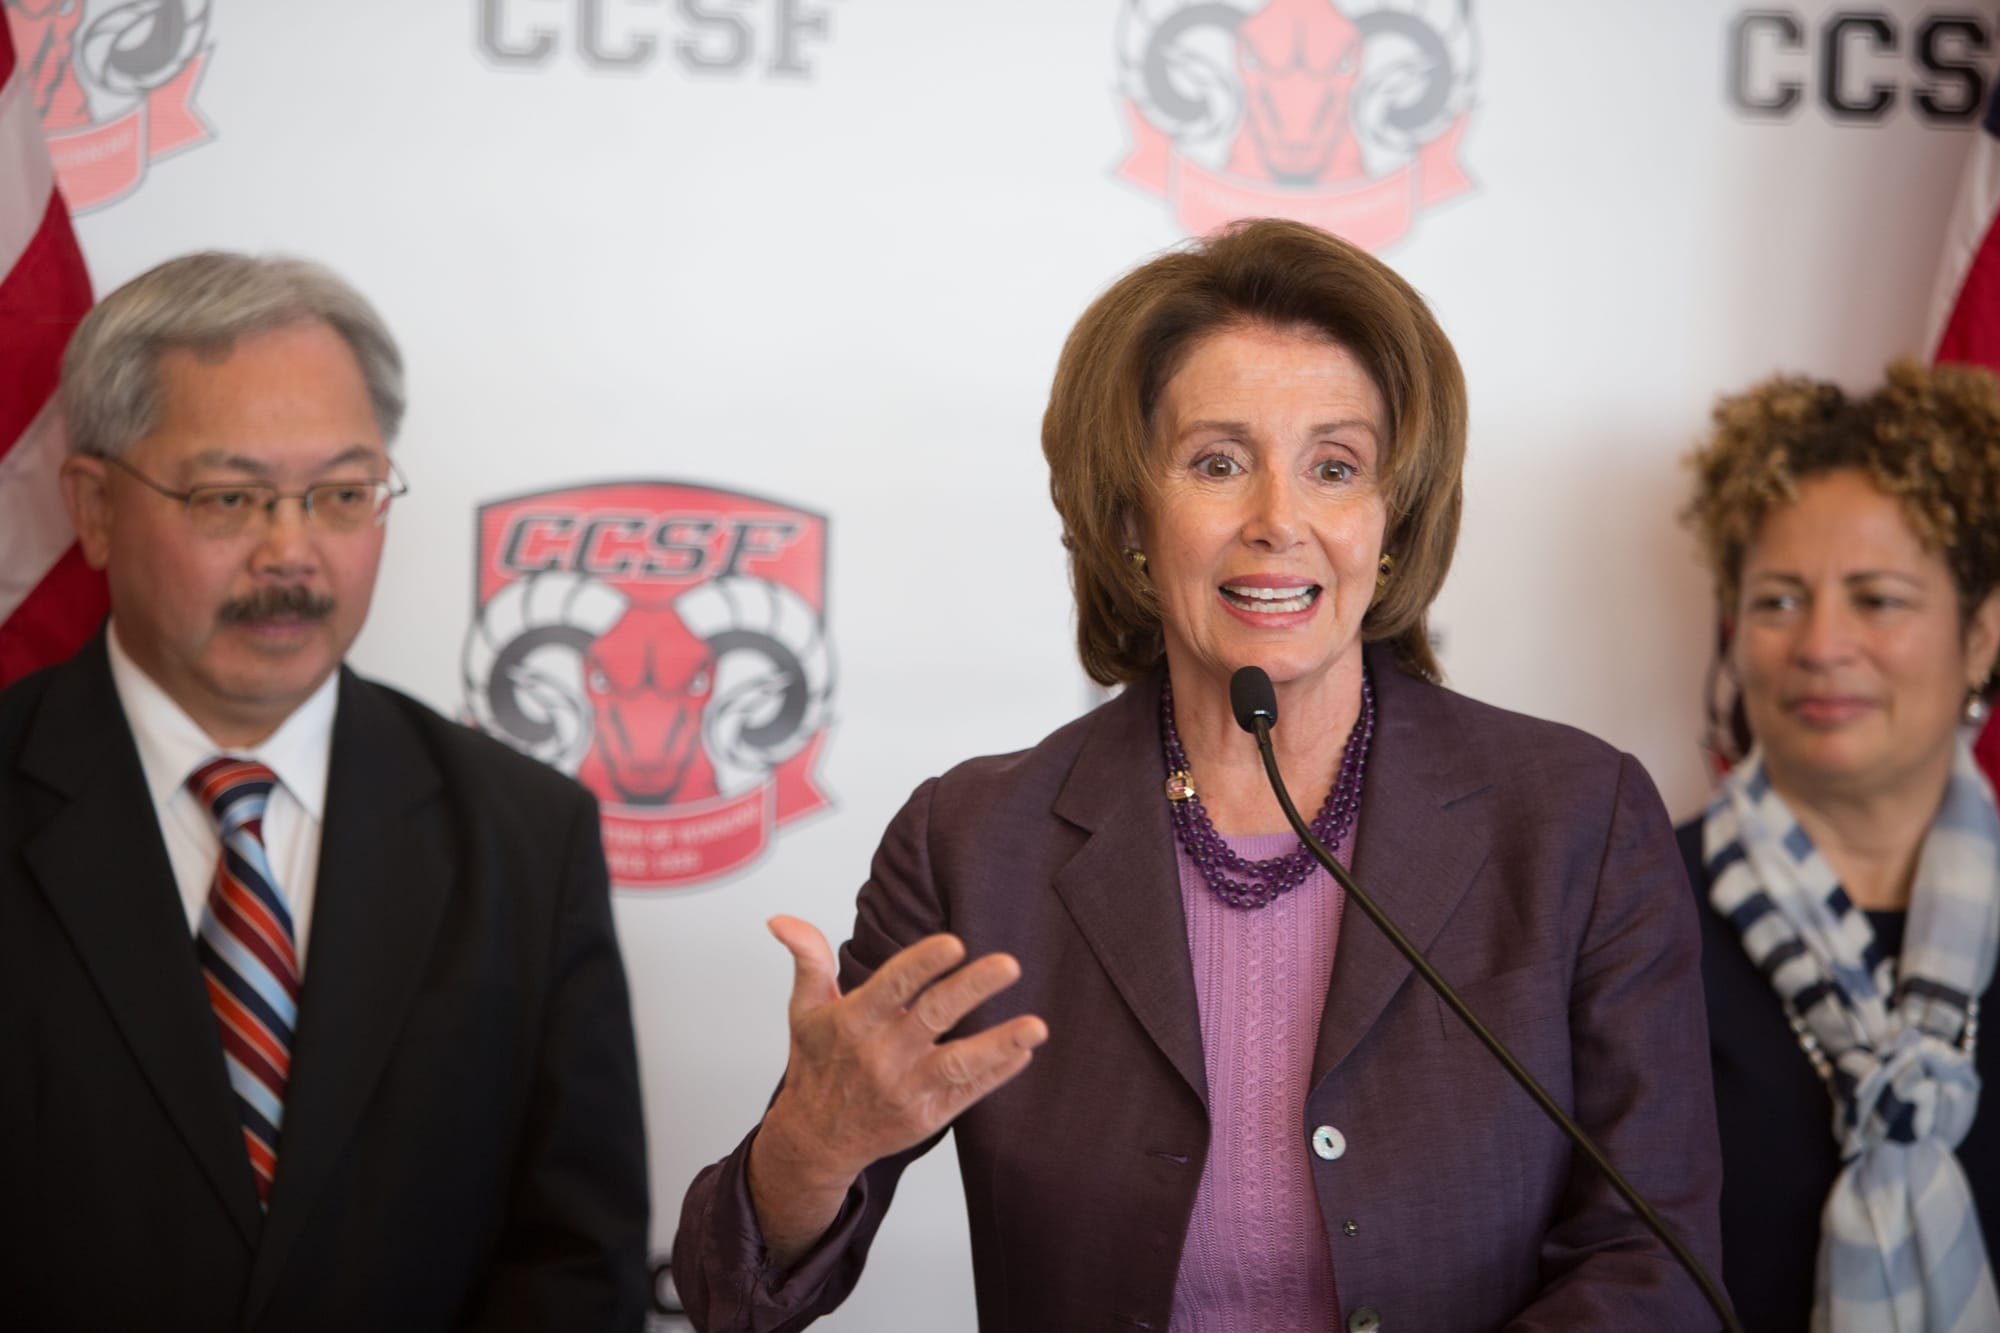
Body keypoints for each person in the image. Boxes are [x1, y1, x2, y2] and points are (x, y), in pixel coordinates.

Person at [675, 218, 1723, 1331]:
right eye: (1217, 462)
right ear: (1130, 517)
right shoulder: (978, 842)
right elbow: (727, 1297)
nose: (1278, 521)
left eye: (1334, 466)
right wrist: (812, 1143)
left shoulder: (1572, 820)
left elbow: (1649, 1263)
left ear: (1390, 519)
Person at [0, 252, 650, 1331]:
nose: (292, 551)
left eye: (343, 495)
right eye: (230, 496)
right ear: (96, 506)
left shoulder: (523, 836)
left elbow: (574, 1264)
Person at [1680, 361, 2000, 1333]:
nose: (1820, 643)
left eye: (1876, 598)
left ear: (1978, 637)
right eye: (1776, 600)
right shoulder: (1629, 911)